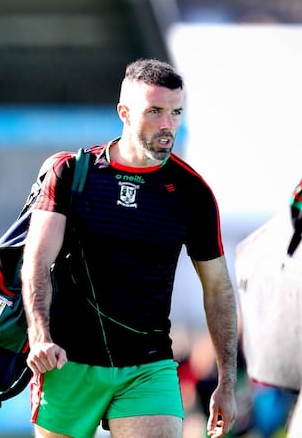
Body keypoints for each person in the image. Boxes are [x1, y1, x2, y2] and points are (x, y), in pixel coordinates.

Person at [20, 58, 239, 438]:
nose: (167, 124)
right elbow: (37, 262)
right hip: (67, 364)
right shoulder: (72, 172)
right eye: (155, 111)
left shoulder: (192, 193)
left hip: (149, 367)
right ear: (123, 112)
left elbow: (218, 288)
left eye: (175, 112)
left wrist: (227, 382)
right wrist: (40, 336)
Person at [287, 177, 302, 258]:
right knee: (298, 231)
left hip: (296, 205)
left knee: (298, 231)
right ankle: (289, 254)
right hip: (295, 206)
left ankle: (289, 254)